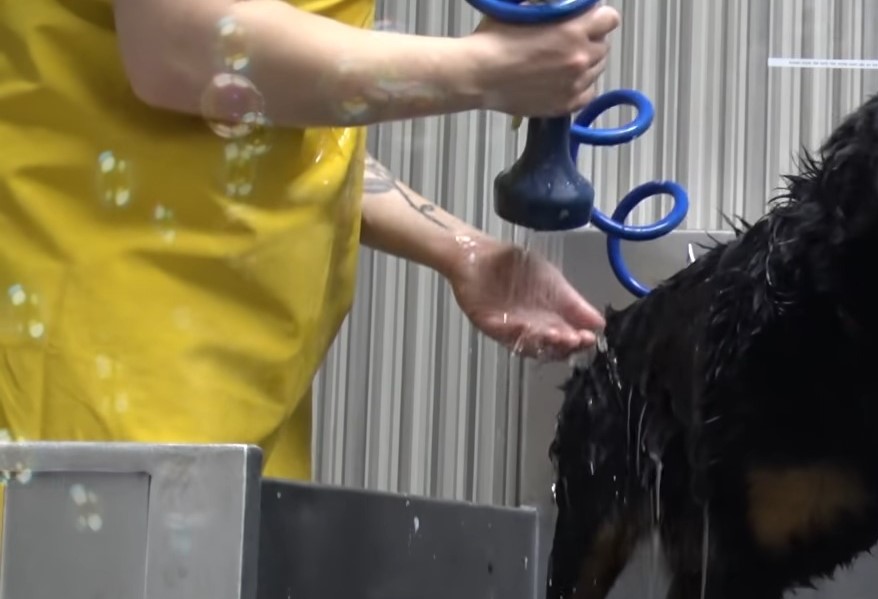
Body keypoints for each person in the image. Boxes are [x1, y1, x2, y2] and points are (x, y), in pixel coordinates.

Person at [0, 0, 619, 480]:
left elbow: (272, 120)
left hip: (242, 392)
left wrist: (464, 251)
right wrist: (488, 72)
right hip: (91, 371)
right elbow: (179, 46)